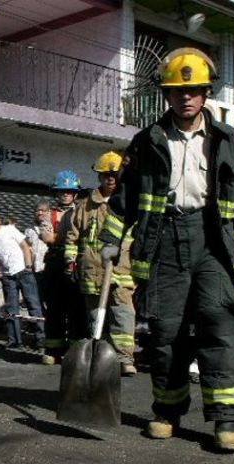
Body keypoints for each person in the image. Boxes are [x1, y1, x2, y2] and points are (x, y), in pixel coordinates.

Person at [97, 48, 234, 452]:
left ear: (206, 93)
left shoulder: (230, 140)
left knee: (219, 327)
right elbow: (125, 197)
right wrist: (110, 240)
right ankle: (166, 411)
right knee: (166, 332)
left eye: (193, 91)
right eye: (176, 91)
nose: (185, 98)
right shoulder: (147, 141)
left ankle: (226, 420)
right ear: (166, 95)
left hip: (214, 243)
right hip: (164, 241)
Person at [65, 152, 137, 375]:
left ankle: (124, 359)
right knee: (96, 317)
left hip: (121, 269)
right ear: (99, 177)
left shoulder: (131, 204)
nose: (111, 179)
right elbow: (72, 236)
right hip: (91, 270)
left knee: (123, 314)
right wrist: (70, 260)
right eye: (106, 175)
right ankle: (101, 359)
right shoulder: (85, 206)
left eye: (115, 174)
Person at [39, 171, 85, 365]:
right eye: (61, 191)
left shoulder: (83, 211)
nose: (65, 194)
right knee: (55, 308)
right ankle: (53, 349)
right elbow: (47, 237)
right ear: (55, 194)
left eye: (69, 191)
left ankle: (75, 351)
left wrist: (62, 236)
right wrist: (71, 238)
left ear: (75, 194)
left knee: (77, 308)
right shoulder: (49, 214)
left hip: (77, 263)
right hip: (56, 262)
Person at [0, 208, 44, 349]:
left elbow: (25, 246)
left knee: (33, 305)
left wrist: (28, 265)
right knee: (11, 309)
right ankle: (14, 340)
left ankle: (40, 339)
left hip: (23, 272)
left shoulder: (9, 229)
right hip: (7, 277)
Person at [25, 200, 52, 310]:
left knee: (50, 299)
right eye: (37, 210)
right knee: (36, 299)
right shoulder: (29, 230)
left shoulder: (53, 227)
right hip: (35, 270)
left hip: (49, 269)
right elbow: (26, 249)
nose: (40, 213)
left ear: (48, 212)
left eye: (43, 210)